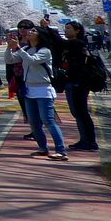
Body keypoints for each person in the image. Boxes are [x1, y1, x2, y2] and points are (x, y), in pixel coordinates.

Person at [6, 25, 67, 160]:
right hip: (29, 89)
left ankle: (61, 150)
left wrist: (18, 48)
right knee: (33, 122)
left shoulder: (45, 51)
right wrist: (9, 47)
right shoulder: (27, 49)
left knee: (48, 121)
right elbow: (9, 60)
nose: (29, 32)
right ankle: (43, 148)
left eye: (33, 31)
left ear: (40, 35)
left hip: (43, 89)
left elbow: (32, 61)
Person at [60, 22, 99, 152]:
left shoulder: (77, 44)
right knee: (77, 112)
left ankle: (89, 141)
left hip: (78, 82)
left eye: (68, 28)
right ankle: (85, 139)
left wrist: (46, 29)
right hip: (72, 81)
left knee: (81, 112)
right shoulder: (73, 44)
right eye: (65, 28)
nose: (65, 30)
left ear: (77, 31)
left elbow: (59, 42)